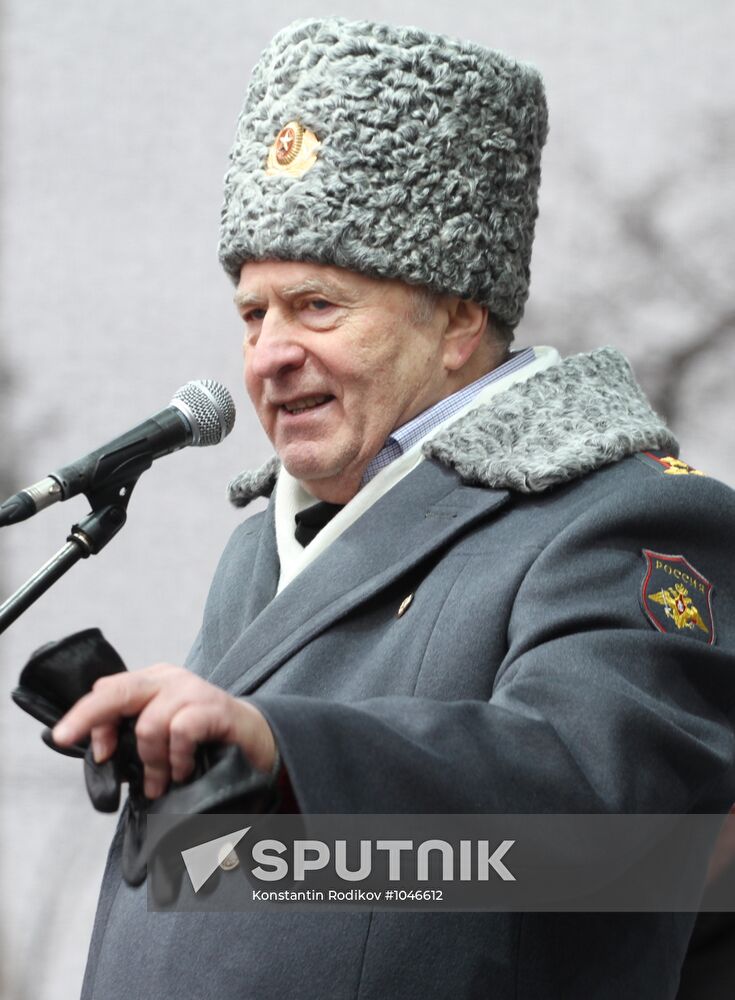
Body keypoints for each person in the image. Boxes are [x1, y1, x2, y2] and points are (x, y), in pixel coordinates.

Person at [51, 17, 735, 1000]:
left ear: (458, 318)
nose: (267, 354)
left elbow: (610, 832)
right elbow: (270, 895)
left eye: (316, 306)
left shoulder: (621, 519)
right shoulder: (261, 550)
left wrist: (291, 751)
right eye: (253, 313)